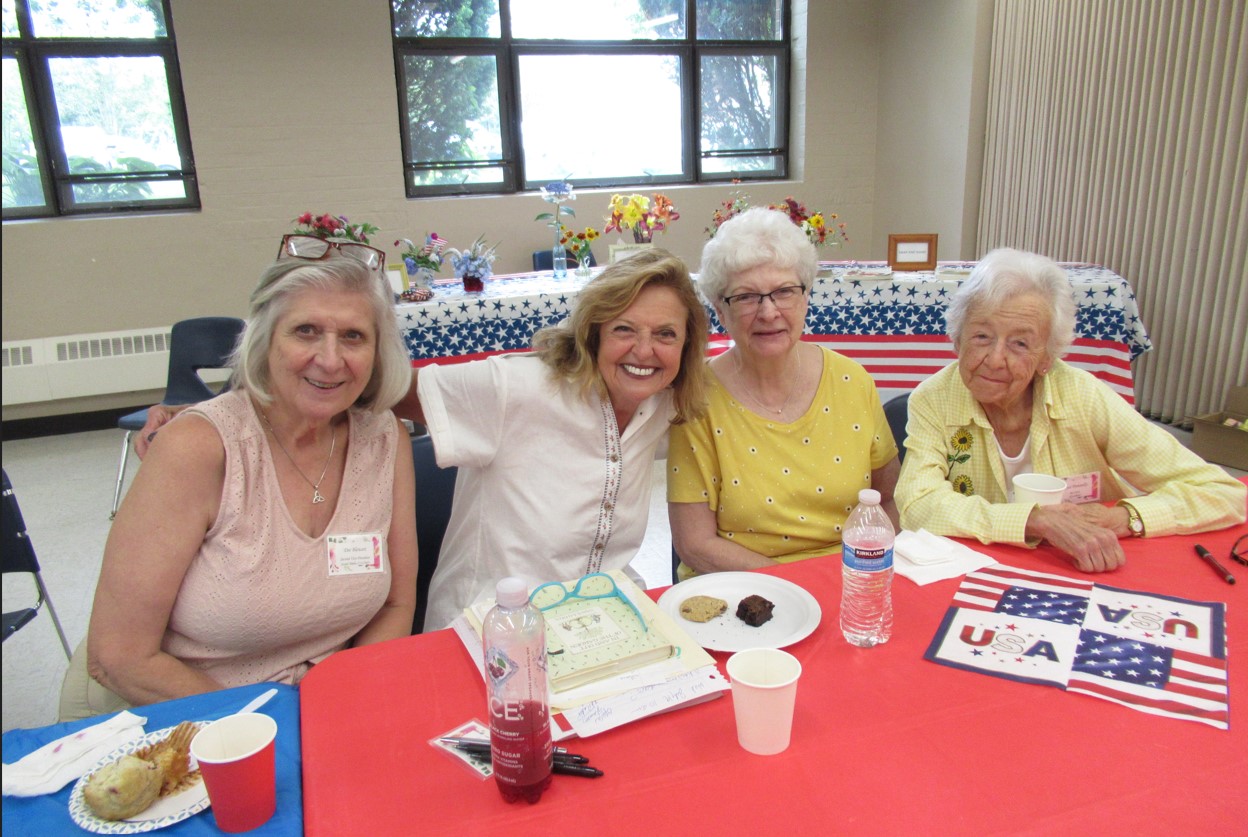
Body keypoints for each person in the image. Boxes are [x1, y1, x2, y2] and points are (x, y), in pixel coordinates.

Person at [60, 245, 418, 721]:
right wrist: (271, 726)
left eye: (353, 336)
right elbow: (118, 657)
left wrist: (342, 705)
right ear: (264, 340)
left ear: (378, 352)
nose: (330, 360)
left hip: (320, 711)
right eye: (306, 331)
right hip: (177, 708)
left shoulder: (384, 439)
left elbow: (396, 602)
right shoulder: (198, 447)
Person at [408, 249, 708, 629]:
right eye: (624, 329)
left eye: (666, 334)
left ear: (686, 345)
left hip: (596, 619)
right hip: (489, 627)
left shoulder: (664, 402)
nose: (644, 350)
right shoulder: (515, 387)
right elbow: (386, 388)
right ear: (594, 332)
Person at [896, 247, 1246, 572]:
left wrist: (1126, 517)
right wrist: (1034, 520)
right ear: (957, 339)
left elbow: (1223, 492)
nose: (995, 359)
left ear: (1046, 359)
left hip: (1089, 565)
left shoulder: (1083, 396)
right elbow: (916, 506)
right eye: (982, 336)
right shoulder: (934, 399)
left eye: (1020, 343)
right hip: (984, 571)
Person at [667, 207, 901, 577]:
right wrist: (799, 586)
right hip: (743, 586)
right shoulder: (698, 398)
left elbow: (888, 500)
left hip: (850, 578)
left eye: (784, 292)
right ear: (720, 312)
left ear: (805, 297)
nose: (768, 312)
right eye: (746, 297)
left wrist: (864, 574)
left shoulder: (852, 381)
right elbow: (695, 543)